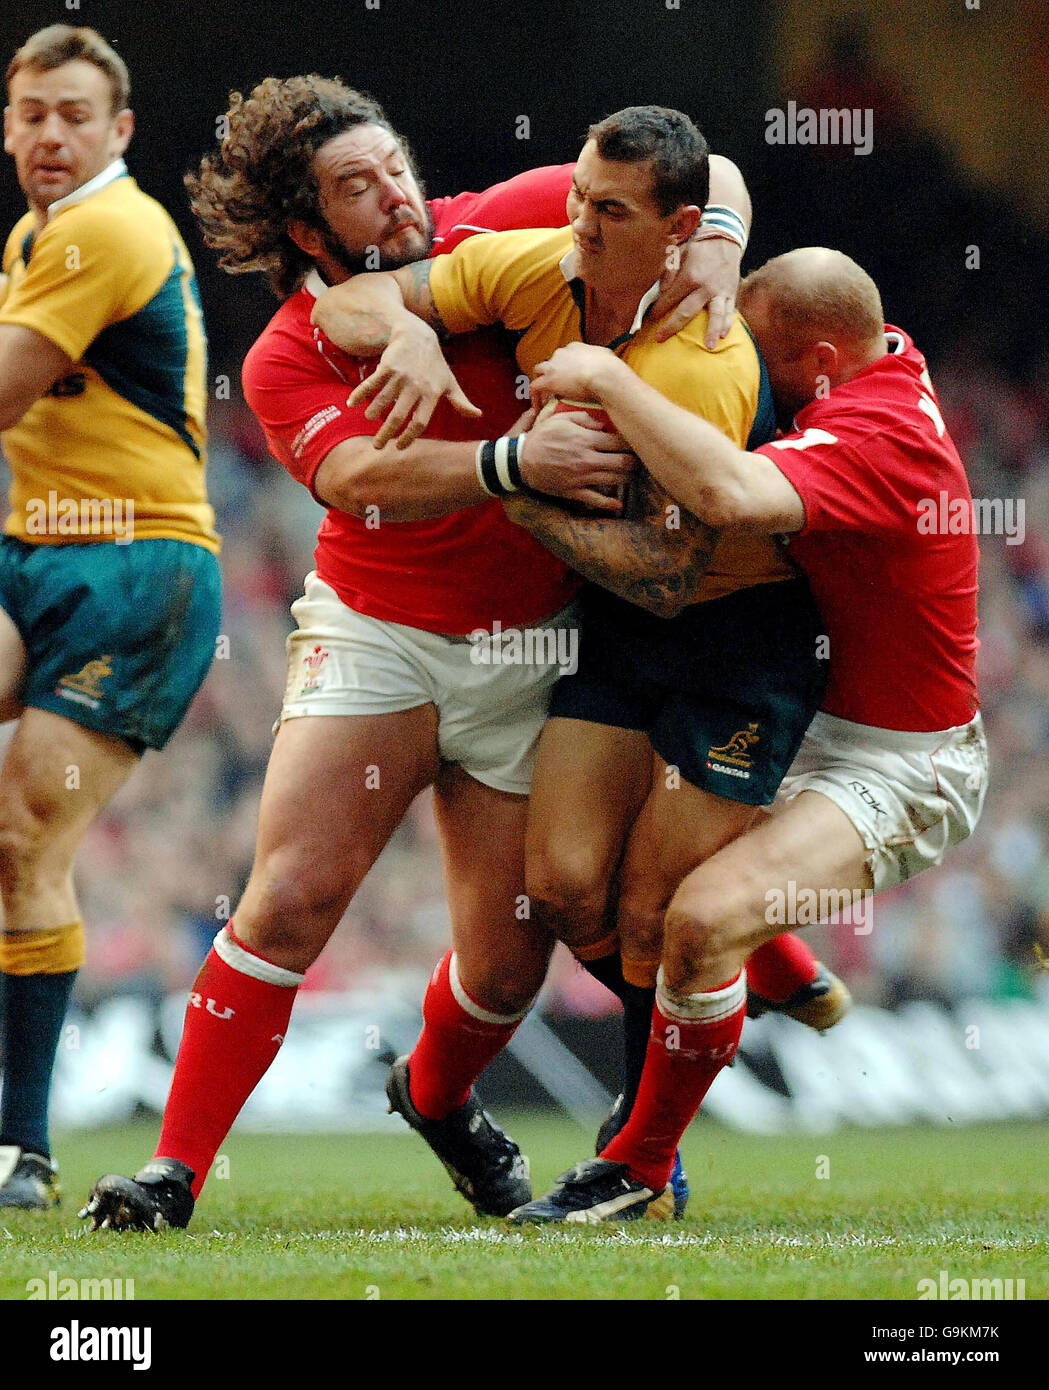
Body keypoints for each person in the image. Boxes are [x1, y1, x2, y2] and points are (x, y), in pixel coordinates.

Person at [80, 78, 749, 1230]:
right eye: (356, 186)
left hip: (530, 651)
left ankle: (437, 1101)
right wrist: (511, 462)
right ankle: (172, 1173)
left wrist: (723, 251)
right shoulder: (291, 351)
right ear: (305, 231)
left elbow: (701, 173)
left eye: (393, 162)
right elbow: (356, 481)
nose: (396, 192)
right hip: (377, 636)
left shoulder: (502, 219)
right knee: (288, 897)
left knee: (503, 970)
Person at [311, 106, 841, 1219]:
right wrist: (405, 329)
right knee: (554, 887)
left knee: (655, 910)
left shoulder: (703, 365)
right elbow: (356, 295)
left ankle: (644, 1153)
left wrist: (518, 491)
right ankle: (739, 997)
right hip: (617, 629)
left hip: (732, 637)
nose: (579, 230)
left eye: (607, 212)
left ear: (679, 229)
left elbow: (663, 571)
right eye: (574, 203)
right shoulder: (534, 265)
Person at [502, 247, 988, 1222]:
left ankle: (635, 1166)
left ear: (815, 360)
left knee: (694, 921)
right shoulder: (872, 360)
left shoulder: (878, 428)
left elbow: (731, 495)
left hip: (897, 761)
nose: (742, 381)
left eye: (757, 362)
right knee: (596, 885)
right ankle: (768, 965)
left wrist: (600, 377)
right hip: (813, 719)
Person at [0, 24, 220, 1210]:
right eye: (31, 111)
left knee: (25, 838)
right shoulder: (33, 236)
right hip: (33, 555)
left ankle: (18, 1150)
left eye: (74, 114)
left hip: (137, 569)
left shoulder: (108, 226)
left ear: (118, 130)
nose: (49, 133)